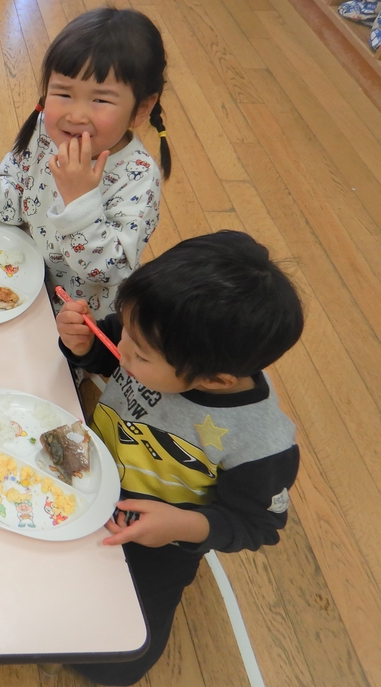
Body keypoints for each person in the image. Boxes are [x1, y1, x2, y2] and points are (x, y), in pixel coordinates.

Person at [55, 230, 304, 685]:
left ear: (216, 380)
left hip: (156, 540)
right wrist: (82, 342)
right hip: (86, 466)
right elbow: (109, 350)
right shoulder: (155, 339)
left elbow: (257, 524)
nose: (122, 346)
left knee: (117, 661)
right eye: (126, 329)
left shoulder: (261, 445)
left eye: (139, 352)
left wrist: (182, 526)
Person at [0, 6, 170, 315]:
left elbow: (108, 272)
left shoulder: (138, 176)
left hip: (76, 316)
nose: (75, 115)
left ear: (142, 108)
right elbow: (19, 197)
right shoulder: (46, 131)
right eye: (63, 93)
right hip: (16, 276)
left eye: (100, 100)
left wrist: (80, 201)